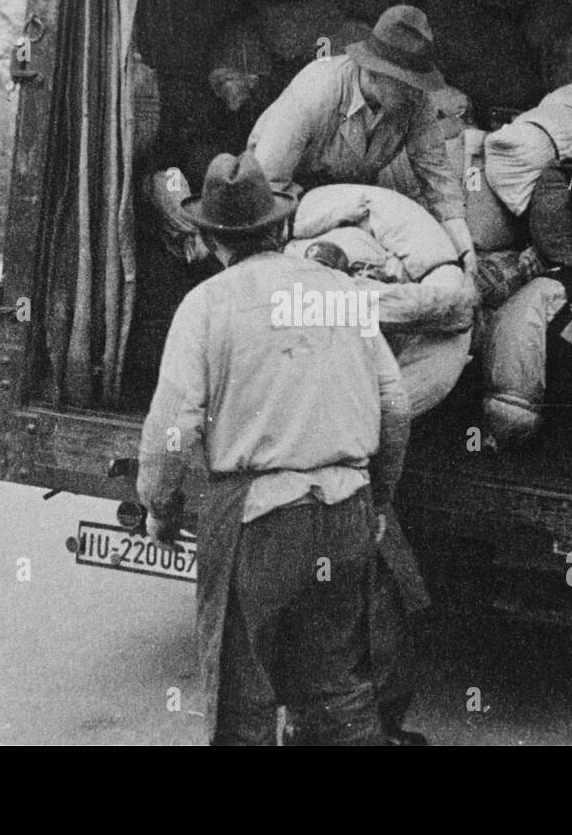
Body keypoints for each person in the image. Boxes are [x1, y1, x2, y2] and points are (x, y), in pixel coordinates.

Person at [136, 151, 428, 746]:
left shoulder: (206, 306)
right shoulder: (342, 293)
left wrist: (159, 509)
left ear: (215, 239)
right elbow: (395, 407)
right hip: (345, 511)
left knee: (245, 702)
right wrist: (377, 503)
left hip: (260, 526)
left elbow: (172, 429)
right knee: (338, 688)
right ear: (283, 227)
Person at [248, 4, 477, 277]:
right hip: (284, 194)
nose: (416, 93)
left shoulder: (415, 100)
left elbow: (437, 177)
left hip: (352, 192)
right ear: (375, 72)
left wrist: (463, 247)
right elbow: (265, 186)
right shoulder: (317, 90)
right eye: (407, 83)